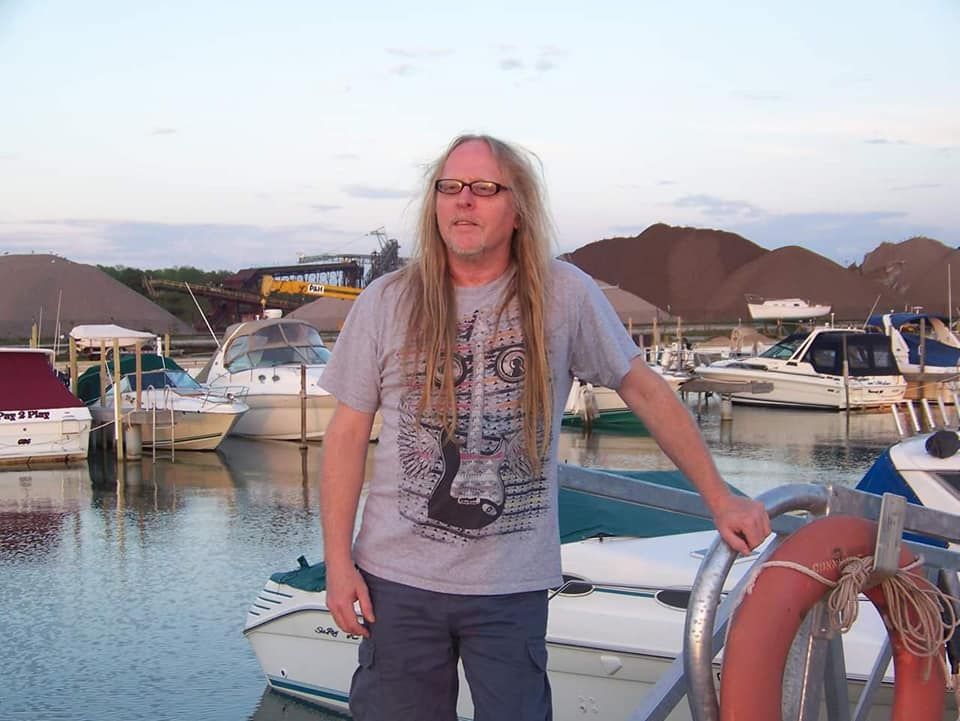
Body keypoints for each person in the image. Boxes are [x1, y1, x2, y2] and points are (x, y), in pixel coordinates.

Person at [318, 134, 771, 721]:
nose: (464, 200)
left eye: (485, 188)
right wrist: (337, 563)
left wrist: (720, 499)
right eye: (450, 187)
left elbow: (644, 391)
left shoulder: (564, 295)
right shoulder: (387, 301)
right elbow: (347, 435)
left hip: (510, 591)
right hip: (396, 585)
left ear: (518, 210)